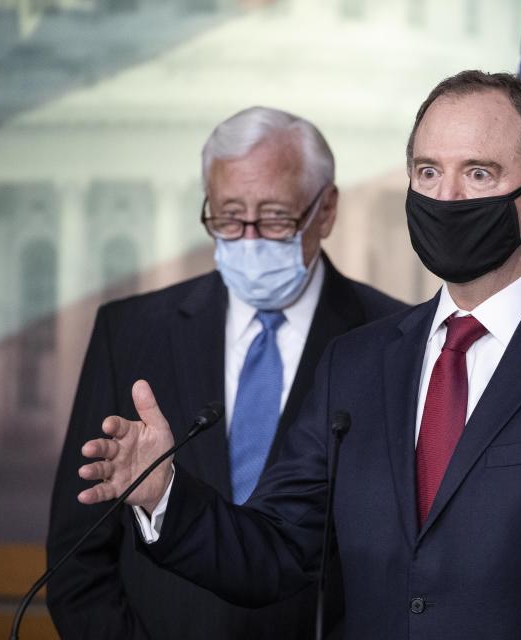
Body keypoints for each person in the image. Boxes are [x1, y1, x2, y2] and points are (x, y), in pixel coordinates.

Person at [77, 71, 521, 640]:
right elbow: (274, 552)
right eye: (428, 172)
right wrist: (165, 493)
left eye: (478, 173)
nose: (448, 196)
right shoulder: (357, 362)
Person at [47, 107, 405, 640]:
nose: (250, 238)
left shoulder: (395, 339)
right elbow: (79, 558)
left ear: (326, 210)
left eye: (277, 217)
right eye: (228, 217)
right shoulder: (129, 332)